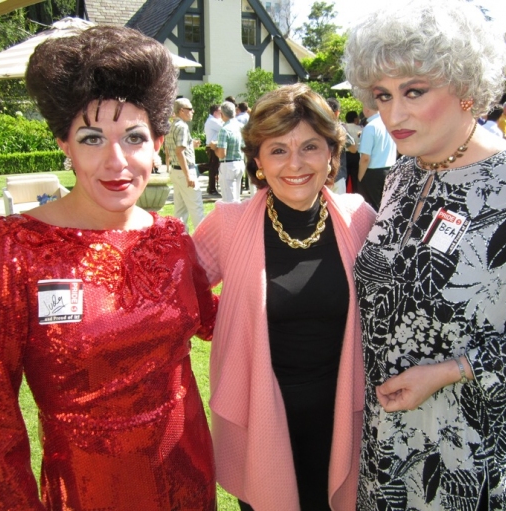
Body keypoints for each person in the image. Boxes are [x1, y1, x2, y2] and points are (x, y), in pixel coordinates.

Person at [0, 26, 218, 510]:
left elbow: (210, 318)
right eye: (92, 137)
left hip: (189, 476)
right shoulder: (10, 249)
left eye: (135, 137)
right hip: (88, 492)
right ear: (64, 143)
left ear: (159, 143)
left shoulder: (170, 237)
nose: (116, 160)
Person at [344, 1, 506, 510]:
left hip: (469, 449)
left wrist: (448, 371)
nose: (393, 114)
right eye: (382, 95)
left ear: (466, 87)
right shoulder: (403, 174)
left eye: (414, 91)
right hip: (386, 441)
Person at [192, 83, 376, 511]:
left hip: (343, 417)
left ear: (332, 153)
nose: (295, 163)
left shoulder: (359, 218)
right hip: (262, 420)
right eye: (277, 150)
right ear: (257, 160)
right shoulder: (229, 224)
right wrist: (221, 322)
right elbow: (176, 294)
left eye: (310, 146)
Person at [166, 98, 205, 230]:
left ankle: (180, 241)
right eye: (190, 109)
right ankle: (203, 243)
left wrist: (190, 144)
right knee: (196, 208)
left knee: (180, 209)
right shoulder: (182, 126)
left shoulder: (172, 126)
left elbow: (172, 149)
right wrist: (188, 176)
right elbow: (179, 152)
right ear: (182, 111)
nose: (192, 111)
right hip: (185, 171)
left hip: (176, 171)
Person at [357, 104, 397, 210]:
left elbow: (365, 158)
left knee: (371, 208)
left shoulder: (370, 127)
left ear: (367, 108)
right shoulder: (389, 124)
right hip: (390, 169)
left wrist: (360, 178)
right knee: (386, 206)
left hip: (373, 172)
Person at [210, 101, 245, 203]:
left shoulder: (224, 129)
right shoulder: (241, 126)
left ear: (222, 114)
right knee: (237, 199)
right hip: (239, 162)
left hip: (228, 165)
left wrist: (214, 147)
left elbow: (222, 154)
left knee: (229, 201)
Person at [327, 98, 358, 194]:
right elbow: (353, 149)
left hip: (319, 176)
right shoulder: (339, 129)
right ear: (337, 113)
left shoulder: (315, 127)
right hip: (337, 176)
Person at [201, 104, 223, 195]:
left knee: (213, 167)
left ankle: (211, 187)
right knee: (213, 168)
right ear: (215, 112)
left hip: (213, 146)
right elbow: (224, 128)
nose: (221, 114)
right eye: (220, 112)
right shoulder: (212, 121)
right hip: (212, 147)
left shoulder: (214, 120)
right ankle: (211, 188)